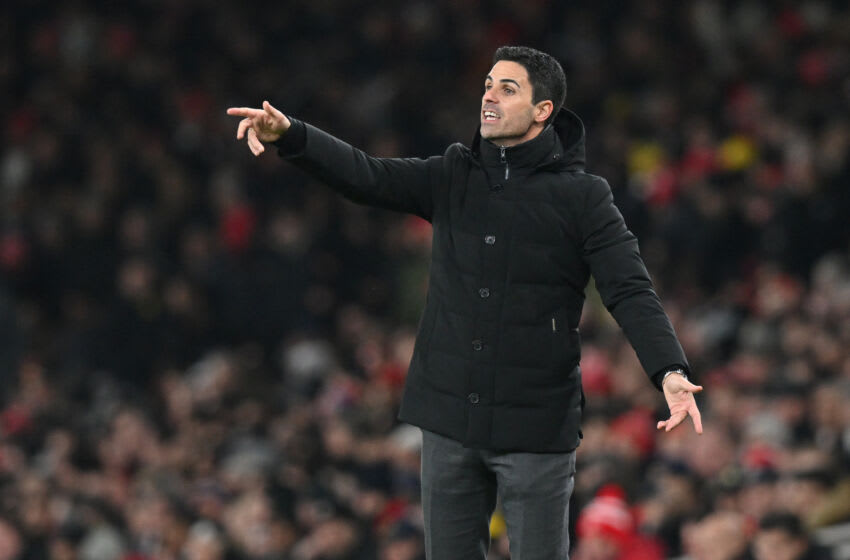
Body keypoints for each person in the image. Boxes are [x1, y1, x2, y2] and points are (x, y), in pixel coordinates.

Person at [228, 45, 703, 560]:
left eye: (507, 89)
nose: (489, 97)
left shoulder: (583, 198)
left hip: (534, 426)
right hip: (449, 419)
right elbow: (368, 175)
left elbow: (628, 288)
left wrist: (668, 370)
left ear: (542, 110)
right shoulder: (454, 173)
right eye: (487, 86)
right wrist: (293, 135)